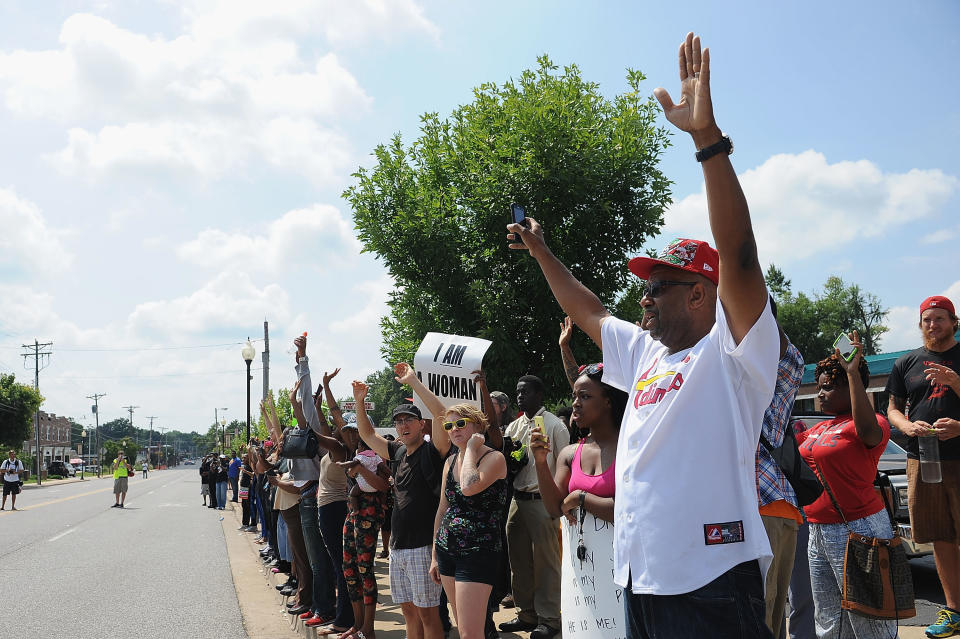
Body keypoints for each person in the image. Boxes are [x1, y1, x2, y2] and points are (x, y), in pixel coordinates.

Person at [506, 32, 779, 638]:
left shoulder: (736, 353)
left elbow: (739, 253)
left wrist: (707, 141)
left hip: (712, 581)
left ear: (700, 293)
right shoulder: (648, 352)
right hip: (641, 578)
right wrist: (542, 250)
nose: (644, 297)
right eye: (645, 287)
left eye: (657, 286)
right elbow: (591, 312)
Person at [797, 336, 894, 639]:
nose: (819, 393)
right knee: (828, 620)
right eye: (819, 386)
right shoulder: (818, 428)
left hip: (858, 527)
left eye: (827, 386)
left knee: (869, 619)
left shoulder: (869, 422)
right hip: (817, 530)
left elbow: (868, 433)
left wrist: (852, 372)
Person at [353, 363, 452, 639]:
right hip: (398, 546)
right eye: (399, 421)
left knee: (429, 616)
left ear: (422, 425)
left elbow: (443, 414)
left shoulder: (434, 451)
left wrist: (413, 382)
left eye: (409, 420)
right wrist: (360, 402)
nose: (403, 425)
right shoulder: (397, 453)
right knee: (409, 612)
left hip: (423, 547)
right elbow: (367, 435)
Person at [885, 295, 960, 638]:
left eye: (940, 319)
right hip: (923, 460)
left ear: (954, 322)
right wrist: (906, 426)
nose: (933, 325)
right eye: (928, 319)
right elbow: (893, 409)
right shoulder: (907, 363)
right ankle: (954, 611)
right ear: (920, 324)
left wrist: (956, 383)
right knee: (940, 537)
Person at [428, 402, 508, 639]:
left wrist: (471, 449)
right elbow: (443, 509)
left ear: (478, 426)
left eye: (461, 423)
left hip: (478, 552)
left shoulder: (495, 458)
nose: (454, 429)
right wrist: (434, 554)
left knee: (470, 633)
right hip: (447, 549)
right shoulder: (450, 462)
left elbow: (469, 486)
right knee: (462, 625)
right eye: (449, 425)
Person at [499, 375, 569, 639]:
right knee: (518, 561)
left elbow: (565, 464)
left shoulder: (554, 426)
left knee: (546, 563)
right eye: (517, 392)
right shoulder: (514, 427)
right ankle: (526, 613)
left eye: (525, 392)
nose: (519, 397)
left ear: (539, 395)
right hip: (517, 500)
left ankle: (550, 618)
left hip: (543, 501)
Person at [756, 298, 805, 639]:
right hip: (736, 506)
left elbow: (788, 357)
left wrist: (757, 308)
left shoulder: (775, 364)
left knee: (763, 615)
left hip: (766, 502)